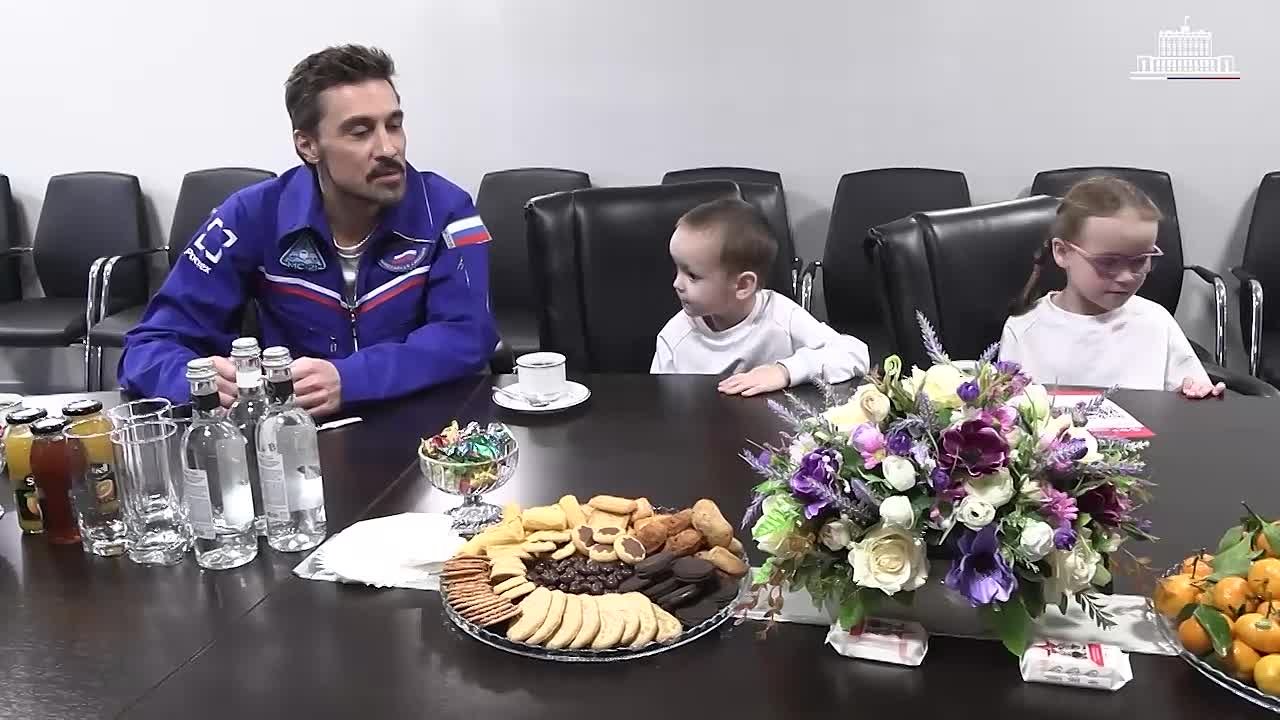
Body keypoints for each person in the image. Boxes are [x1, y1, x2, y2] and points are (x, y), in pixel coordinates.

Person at [120, 45, 497, 417]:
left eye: (394, 125)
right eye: (360, 132)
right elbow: (148, 346)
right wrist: (194, 381)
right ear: (308, 146)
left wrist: (351, 379)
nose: (388, 148)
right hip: (300, 433)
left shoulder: (447, 210)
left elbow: (468, 334)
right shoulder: (252, 215)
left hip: (428, 424)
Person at [1000, 176, 1223, 398]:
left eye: (1140, 261)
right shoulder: (1024, 329)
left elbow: (1192, 393)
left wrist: (1194, 393)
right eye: (1107, 262)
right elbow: (1006, 410)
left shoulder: (1157, 322)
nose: (1126, 277)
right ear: (1063, 252)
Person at [650, 197, 869, 395]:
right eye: (677, 269)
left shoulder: (782, 316)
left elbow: (855, 353)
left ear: (743, 285)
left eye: (692, 276)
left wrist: (784, 371)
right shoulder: (674, 337)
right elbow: (658, 403)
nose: (676, 284)